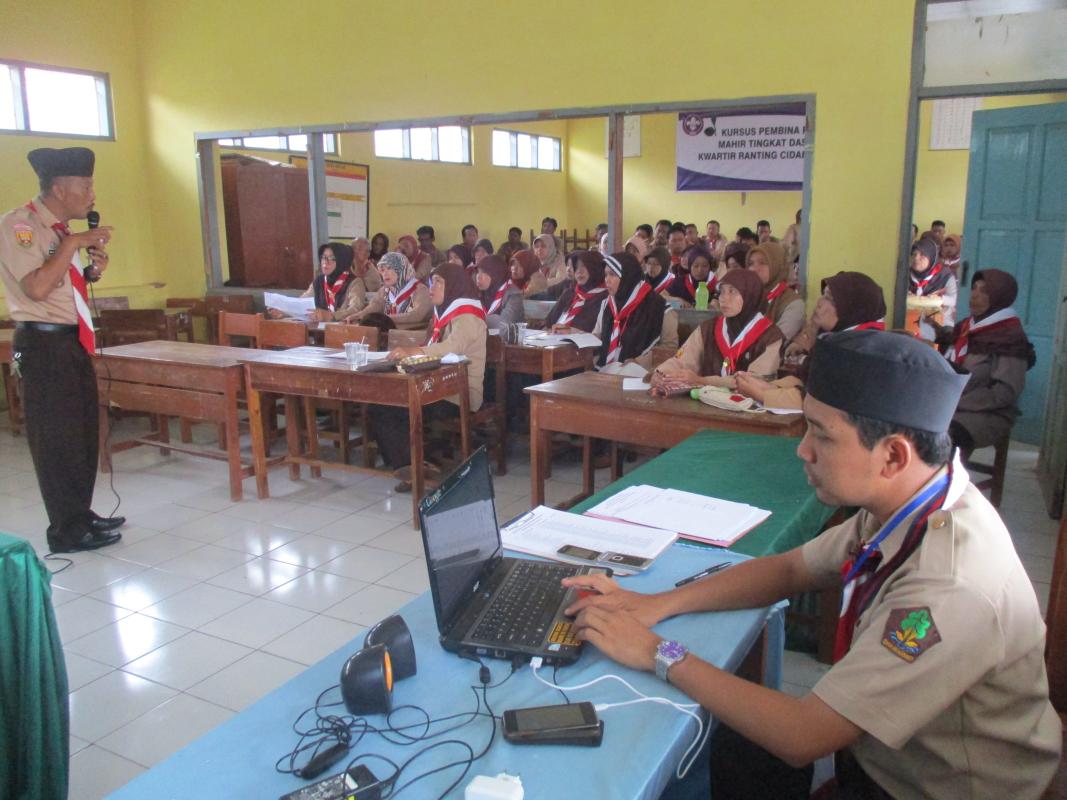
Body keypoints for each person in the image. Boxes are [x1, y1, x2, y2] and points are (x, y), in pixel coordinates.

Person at [564, 329, 1062, 800]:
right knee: (710, 742)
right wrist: (655, 603)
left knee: (698, 736)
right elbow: (789, 569)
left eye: (821, 436)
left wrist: (658, 651)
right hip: (881, 760)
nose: (802, 450)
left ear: (892, 455)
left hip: (926, 790)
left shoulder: (950, 587)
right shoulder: (912, 500)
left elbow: (803, 734)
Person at [0, 146, 124, 552]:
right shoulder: (20, 226)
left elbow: (58, 284)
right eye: (85, 186)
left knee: (81, 430)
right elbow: (35, 287)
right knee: (55, 436)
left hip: (69, 341)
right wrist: (73, 245)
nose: (92, 194)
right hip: (40, 344)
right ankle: (65, 530)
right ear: (58, 187)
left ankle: (80, 513)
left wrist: (90, 271)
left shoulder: (57, 231)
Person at [369, 262, 486, 489]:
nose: (431, 288)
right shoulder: (443, 313)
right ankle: (411, 466)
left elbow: (452, 348)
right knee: (380, 403)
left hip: (459, 393)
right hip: (436, 384)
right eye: (431, 282)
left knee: (389, 409)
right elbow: (432, 346)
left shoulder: (468, 316)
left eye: (439, 283)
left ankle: (412, 468)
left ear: (453, 285)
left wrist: (413, 352)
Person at [736, 271, 886, 409]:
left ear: (852, 309)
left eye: (830, 299)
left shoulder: (860, 352)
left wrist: (761, 394)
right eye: (824, 295)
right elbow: (804, 379)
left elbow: (820, 401)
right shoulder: (833, 340)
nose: (820, 303)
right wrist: (765, 385)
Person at [933, 269, 1034, 454]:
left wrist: (957, 402)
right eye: (974, 289)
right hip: (951, 404)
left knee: (936, 438)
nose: (975, 296)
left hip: (985, 413)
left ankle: (947, 480)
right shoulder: (967, 327)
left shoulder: (1010, 337)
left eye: (984, 291)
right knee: (910, 423)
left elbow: (1005, 392)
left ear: (999, 296)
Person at [651, 268, 782, 395]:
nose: (724, 298)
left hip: (749, 411)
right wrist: (662, 373)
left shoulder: (770, 336)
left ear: (750, 295)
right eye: (722, 292)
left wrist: (702, 381)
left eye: (732, 292)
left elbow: (753, 382)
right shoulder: (709, 328)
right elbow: (682, 361)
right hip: (706, 404)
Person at [593, 252, 677, 370]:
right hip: (604, 370)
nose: (607, 280)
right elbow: (597, 335)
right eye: (606, 275)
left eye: (612, 275)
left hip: (639, 373)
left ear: (628, 276)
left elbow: (669, 348)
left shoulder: (659, 307)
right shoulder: (607, 304)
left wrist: (639, 362)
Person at [266, 242, 354, 321]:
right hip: (319, 333)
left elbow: (355, 309)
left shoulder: (353, 282)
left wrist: (332, 316)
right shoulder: (319, 281)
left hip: (343, 333)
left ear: (341, 260)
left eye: (331, 258)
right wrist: (283, 311)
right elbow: (301, 303)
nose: (325, 262)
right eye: (323, 257)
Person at [346, 251, 431, 330]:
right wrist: (360, 315)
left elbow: (417, 315)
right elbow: (375, 306)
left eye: (390, 268)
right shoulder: (384, 290)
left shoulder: (420, 290)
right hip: (388, 335)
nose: (385, 274)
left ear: (402, 269)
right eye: (382, 270)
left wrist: (384, 319)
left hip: (412, 337)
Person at [747, 241, 805, 341]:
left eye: (762, 263)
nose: (754, 269)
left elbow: (776, 341)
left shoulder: (793, 303)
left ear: (777, 265)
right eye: (751, 263)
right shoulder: (746, 296)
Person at [545, 250, 608, 333]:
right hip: (553, 340)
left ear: (596, 268)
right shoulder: (570, 293)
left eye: (585, 266)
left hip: (583, 344)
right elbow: (549, 322)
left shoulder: (605, 298)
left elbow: (597, 334)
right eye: (576, 267)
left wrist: (571, 331)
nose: (579, 271)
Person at [909, 235, 957, 340]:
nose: (916, 258)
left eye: (922, 255)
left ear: (931, 257)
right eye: (914, 254)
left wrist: (940, 299)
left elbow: (954, 299)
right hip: (909, 320)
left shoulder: (945, 276)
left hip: (939, 321)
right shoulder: (904, 274)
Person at [476, 254, 523, 332]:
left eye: (483, 272)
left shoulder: (513, 295)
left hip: (509, 343)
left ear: (495, 274)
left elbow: (504, 326)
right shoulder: (479, 293)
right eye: (478, 272)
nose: (478, 277)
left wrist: (477, 319)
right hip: (484, 340)